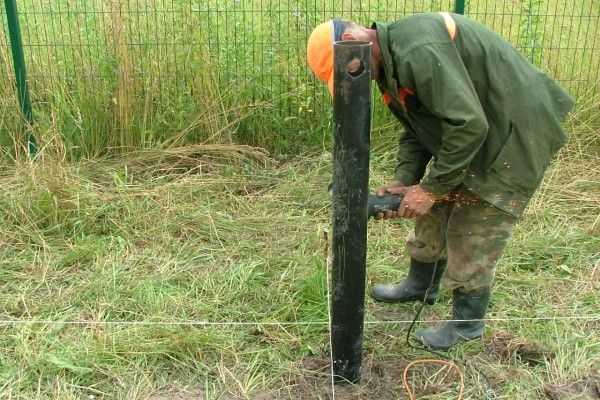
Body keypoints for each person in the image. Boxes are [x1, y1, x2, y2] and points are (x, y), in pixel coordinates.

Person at [306, 12, 574, 350]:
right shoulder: (388, 65)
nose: (353, 80)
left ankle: (467, 323)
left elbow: (470, 125)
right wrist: (407, 181)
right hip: (475, 123)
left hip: (515, 126)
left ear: (350, 44)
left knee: (475, 213)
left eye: (349, 72)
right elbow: (419, 127)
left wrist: (431, 188)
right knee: (438, 201)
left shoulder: (416, 50)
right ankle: (423, 284)